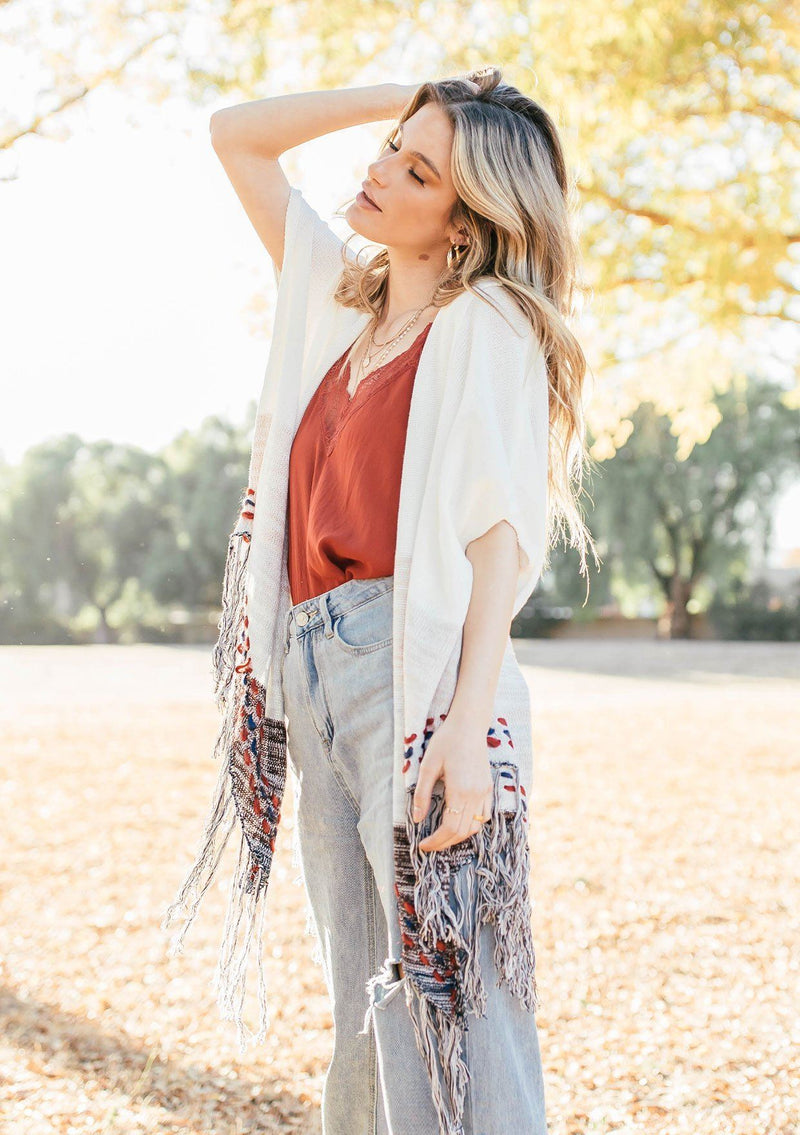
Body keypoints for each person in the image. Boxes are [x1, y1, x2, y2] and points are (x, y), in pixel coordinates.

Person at [166, 68, 597, 1135]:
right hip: (314, 673)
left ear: (464, 224)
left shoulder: (486, 320)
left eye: (417, 170)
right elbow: (237, 136)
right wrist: (415, 95)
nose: (378, 171)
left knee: (452, 999)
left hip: (417, 674)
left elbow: (498, 537)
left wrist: (463, 728)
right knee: (366, 1008)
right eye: (390, 149)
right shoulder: (336, 307)